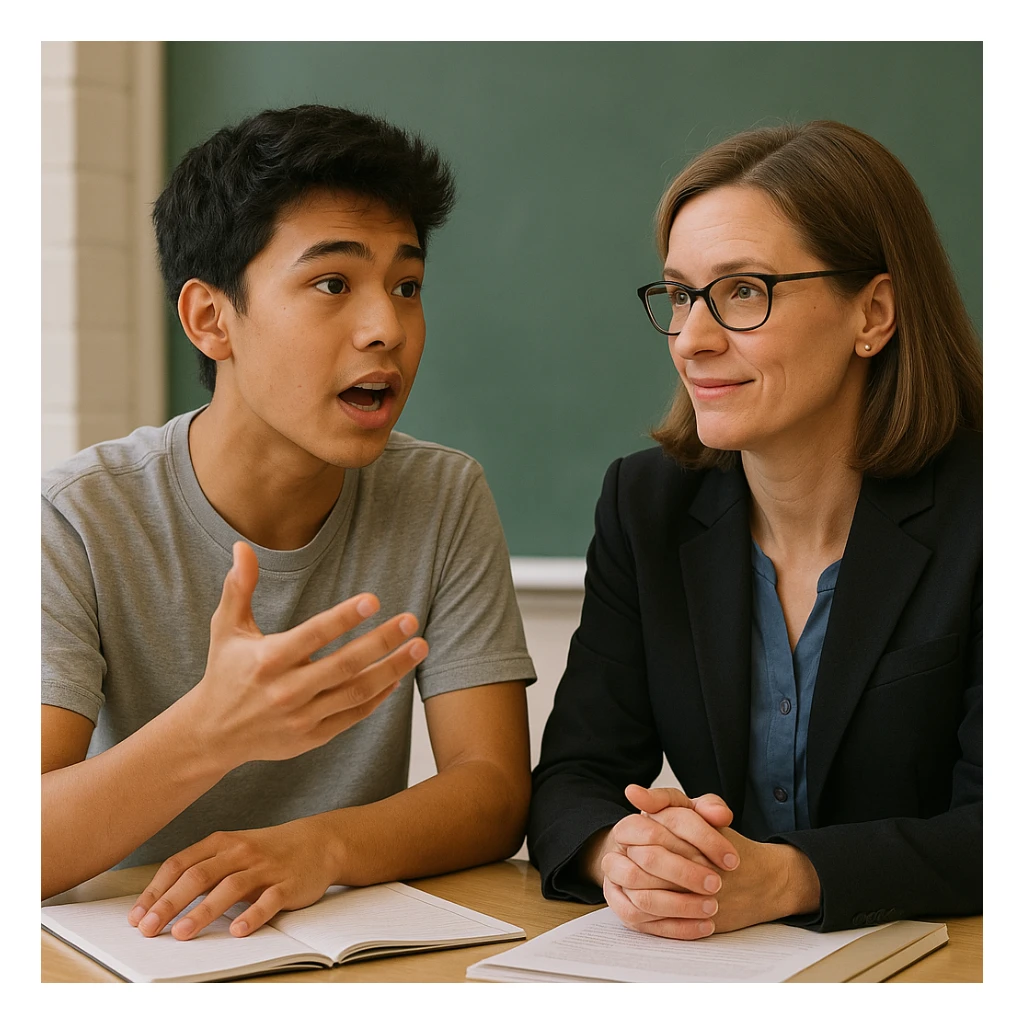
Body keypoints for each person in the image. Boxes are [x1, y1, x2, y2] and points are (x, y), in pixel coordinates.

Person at [42, 104, 536, 940]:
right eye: (333, 284)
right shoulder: (77, 517)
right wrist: (212, 730)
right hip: (137, 951)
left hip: (349, 944)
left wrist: (323, 847)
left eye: (407, 287)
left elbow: (492, 791)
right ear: (210, 319)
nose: (387, 329)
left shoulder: (442, 495)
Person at [528, 120, 982, 937]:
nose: (692, 340)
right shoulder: (646, 505)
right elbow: (574, 780)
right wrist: (623, 852)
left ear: (873, 313)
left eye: (743, 292)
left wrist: (790, 877)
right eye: (680, 296)